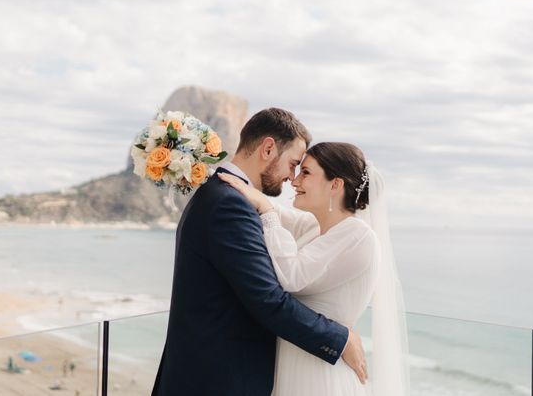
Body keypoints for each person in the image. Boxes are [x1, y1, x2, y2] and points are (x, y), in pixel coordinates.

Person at [152, 108, 368, 396]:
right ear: (268, 149)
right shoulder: (230, 204)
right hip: (217, 382)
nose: (292, 178)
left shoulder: (225, 194)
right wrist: (340, 339)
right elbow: (268, 300)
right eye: (293, 164)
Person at [219, 142, 409, 395]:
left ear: (335, 185)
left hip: (320, 372)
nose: (294, 181)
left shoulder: (357, 236)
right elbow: (276, 213)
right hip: (298, 360)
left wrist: (265, 207)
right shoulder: (313, 225)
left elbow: (291, 276)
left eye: (306, 173)